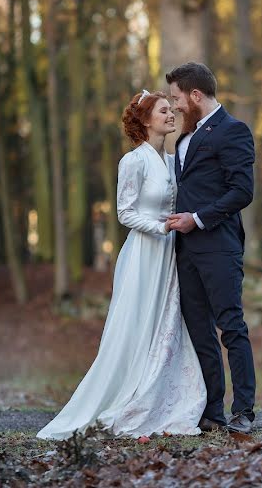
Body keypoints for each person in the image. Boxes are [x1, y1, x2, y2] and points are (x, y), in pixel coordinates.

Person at [37, 90, 206, 440]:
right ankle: (124, 395)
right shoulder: (133, 161)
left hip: (169, 253)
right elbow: (125, 212)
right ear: (146, 121)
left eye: (171, 110)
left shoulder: (173, 159)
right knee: (137, 324)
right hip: (144, 253)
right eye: (164, 111)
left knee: (167, 322)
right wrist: (160, 226)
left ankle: (163, 397)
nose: (172, 114)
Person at [165, 62, 257, 434]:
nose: (174, 106)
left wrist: (198, 219)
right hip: (185, 252)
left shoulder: (234, 131)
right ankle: (213, 411)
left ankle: (245, 411)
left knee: (231, 327)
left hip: (219, 248)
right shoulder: (184, 138)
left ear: (196, 95)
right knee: (199, 333)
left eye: (176, 98)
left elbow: (242, 191)